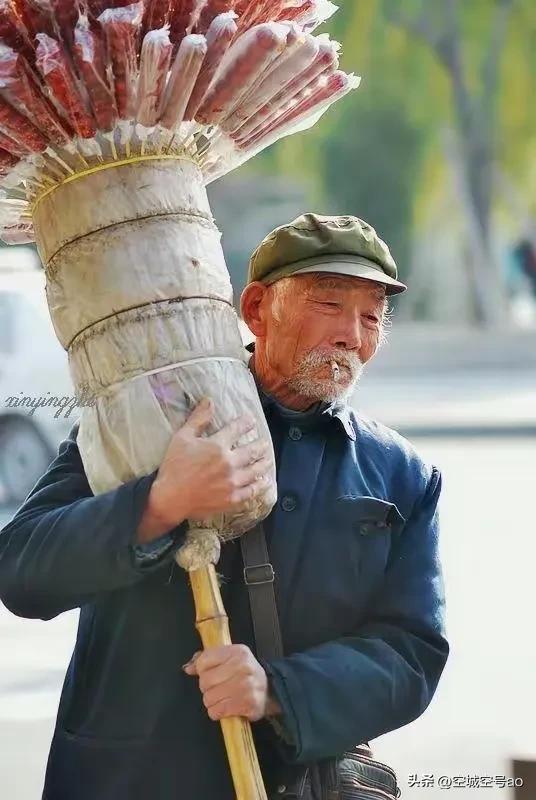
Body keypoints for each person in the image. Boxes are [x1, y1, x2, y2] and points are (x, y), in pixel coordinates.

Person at [0, 214, 449, 799]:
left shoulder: (402, 475)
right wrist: (160, 503)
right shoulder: (148, 422)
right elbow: (22, 572)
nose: (352, 337)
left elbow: (411, 654)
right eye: (329, 305)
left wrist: (277, 691)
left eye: (370, 317)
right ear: (258, 309)